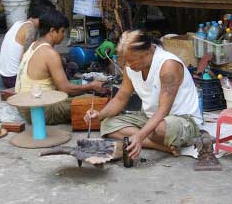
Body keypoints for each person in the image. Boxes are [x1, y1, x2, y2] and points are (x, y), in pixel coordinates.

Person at [84, 30, 201, 159]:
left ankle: (146, 138)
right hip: (150, 118)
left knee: (161, 129)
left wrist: (139, 136)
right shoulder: (130, 68)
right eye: (125, 61)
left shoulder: (168, 65)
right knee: (107, 124)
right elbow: (121, 98)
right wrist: (99, 115)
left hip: (180, 120)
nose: (128, 65)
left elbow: (163, 110)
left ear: (147, 53)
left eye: (131, 60)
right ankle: (162, 146)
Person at [15, 10, 108, 124]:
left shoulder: (33, 46)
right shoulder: (50, 53)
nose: (64, 36)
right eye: (62, 31)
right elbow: (65, 89)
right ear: (52, 31)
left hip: (24, 108)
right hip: (39, 112)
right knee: (99, 102)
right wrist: (91, 86)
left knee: (85, 94)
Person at [0, 0, 55, 89]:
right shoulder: (30, 29)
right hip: (14, 80)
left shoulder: (19, 23)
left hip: (5, 77)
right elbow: (26, 60)